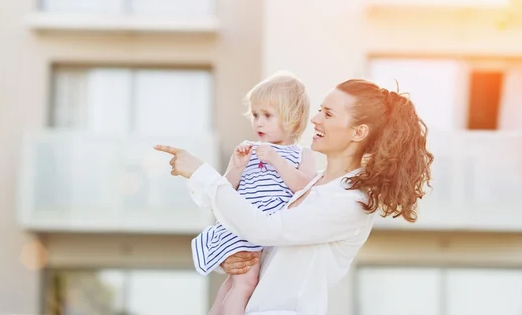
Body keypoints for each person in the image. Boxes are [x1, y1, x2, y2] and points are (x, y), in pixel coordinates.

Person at [155, 79, 434, 315]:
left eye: (328, 114)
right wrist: (229, 258)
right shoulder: (313, 182)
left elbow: (265, 229)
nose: (314, 119)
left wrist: (201, 173)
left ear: (358, 132)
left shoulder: (350, 201)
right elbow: (268, 243)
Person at [192, 72, 316, 315]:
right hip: (242, 226)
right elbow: (222, 192)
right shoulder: (248, 151)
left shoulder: (302, 155)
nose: (258, 122)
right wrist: (237, 166)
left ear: (294, 118)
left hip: (262, 229)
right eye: (256, 115)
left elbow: (305, 188)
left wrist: (276, 160)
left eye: (267, 116)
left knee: (233, 284)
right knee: (246, 283)